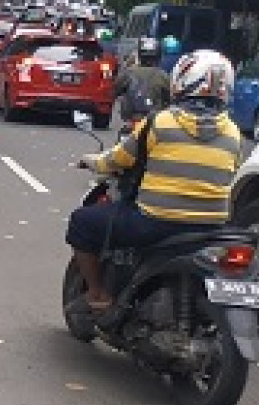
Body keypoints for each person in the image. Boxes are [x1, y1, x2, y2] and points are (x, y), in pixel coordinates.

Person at [65, 49, 243, 324]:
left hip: (156, 222)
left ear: (183, 80)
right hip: (212, 229)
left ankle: (97, 295)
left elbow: (119, 159)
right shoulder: (233, 132)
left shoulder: (159, 123)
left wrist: (92, 161)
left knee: (82, 222)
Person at [114, 37, 172, 123]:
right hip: (153, 119)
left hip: (133, 117)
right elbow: (169, 98)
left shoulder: (128, 72)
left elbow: (116, 90)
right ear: (158, 56)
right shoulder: (163, 75)